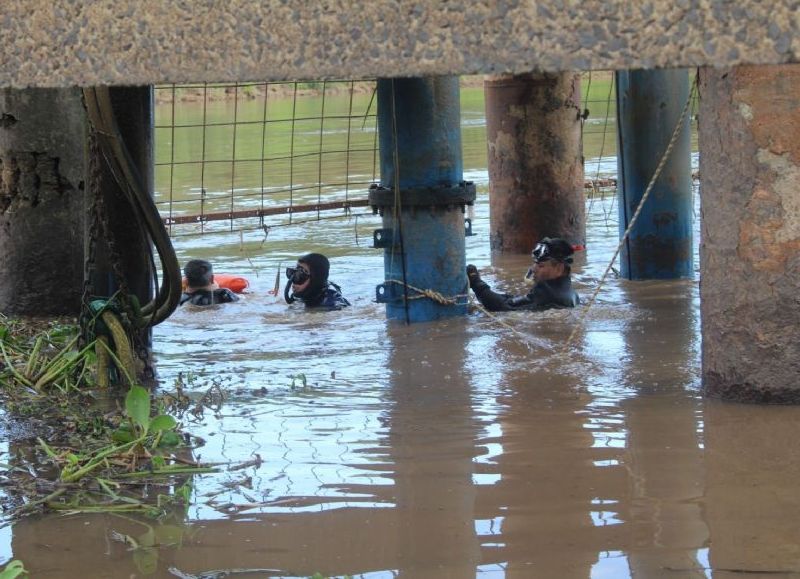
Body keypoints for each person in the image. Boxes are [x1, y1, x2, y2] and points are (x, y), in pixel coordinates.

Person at [467, 237, 579, 312]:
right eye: (535, 264)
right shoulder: (571, 294)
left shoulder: (547, 292)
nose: (533, 269)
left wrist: (476, 282)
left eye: (540, 266)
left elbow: (503, 307)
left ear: (559, 268)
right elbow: (517, 301)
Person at [284, 253, 350, 310]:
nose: (293, 282)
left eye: (300, 276)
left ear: (315, 280)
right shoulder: (306, 292)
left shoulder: (332, 303)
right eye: (293, 274)